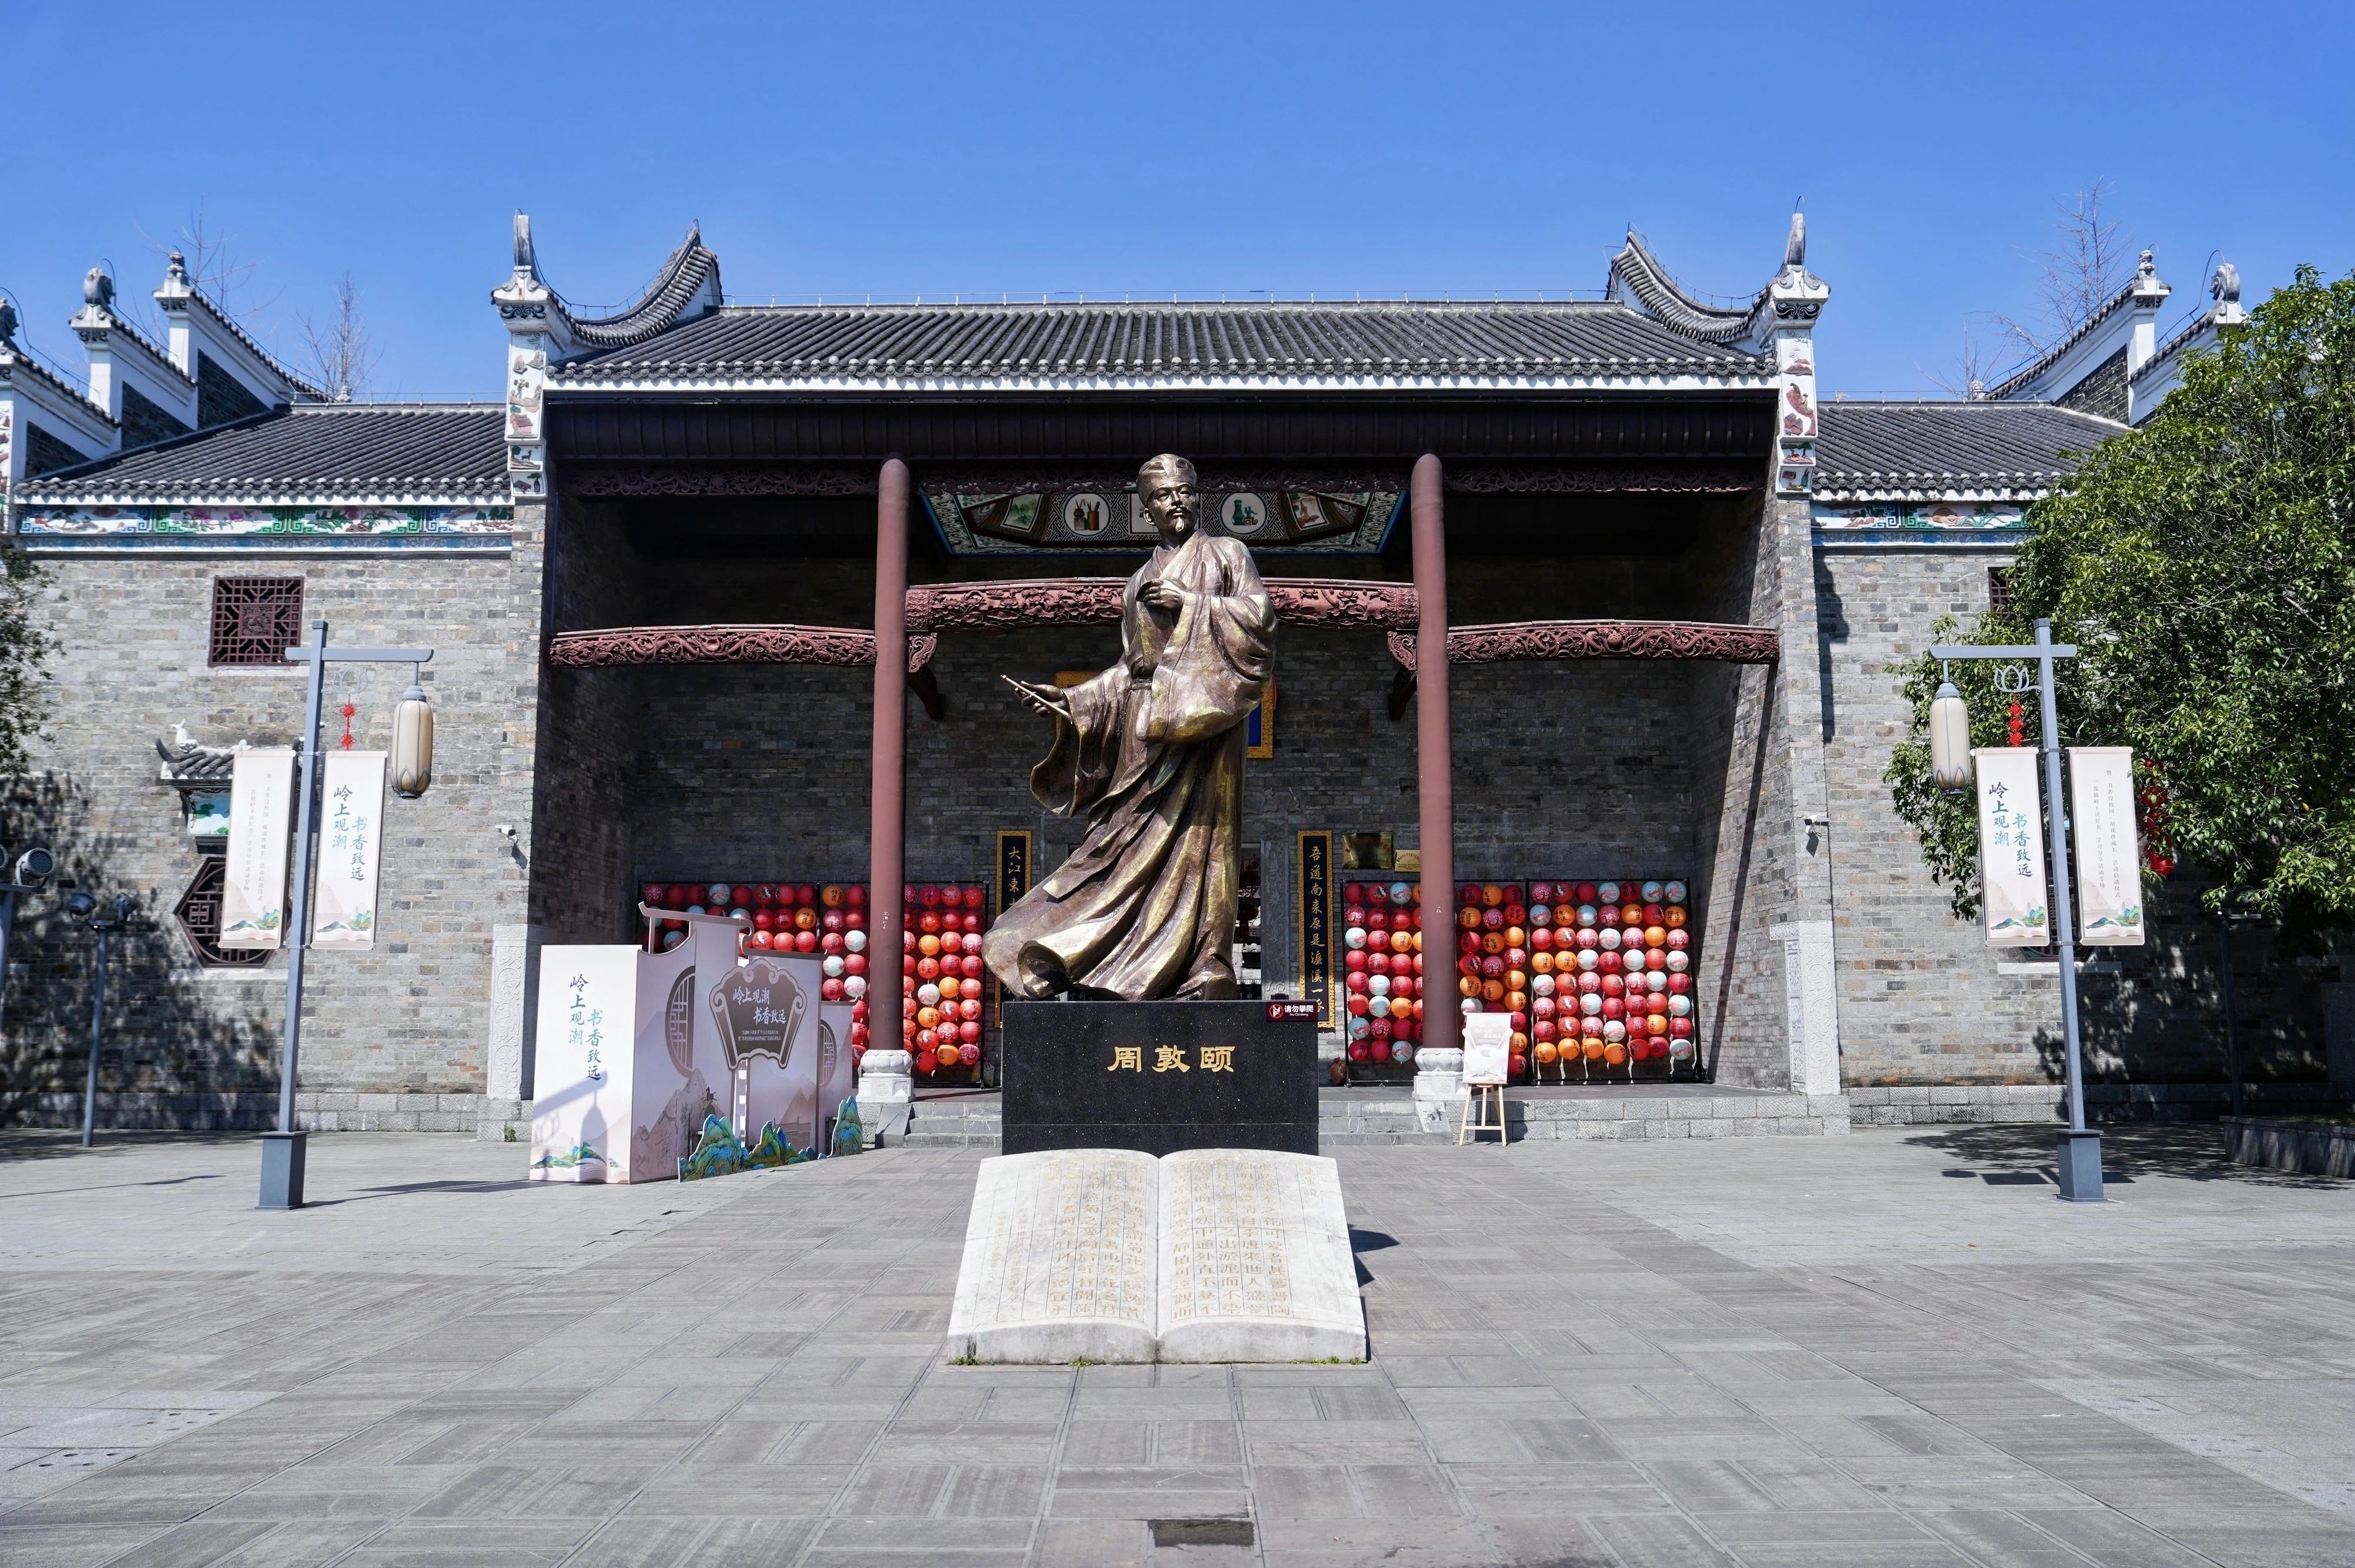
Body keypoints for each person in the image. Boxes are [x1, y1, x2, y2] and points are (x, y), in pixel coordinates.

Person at [984, 454, 1275, 1000]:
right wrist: (1072, 700)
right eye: (1163, 496)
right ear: (1147, 509)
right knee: (1119, 841)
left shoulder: (1228, 554)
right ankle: (1096, 956)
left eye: (1184, 491)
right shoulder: (1139, 580)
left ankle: (1204, 964)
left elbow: (1260, 620)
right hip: (1147, 731)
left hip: (1204, 724)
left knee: (1204, 841)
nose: (1176, 502)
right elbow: (1130, 668)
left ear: (1197, 497)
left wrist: (1191, 604)